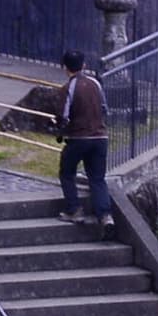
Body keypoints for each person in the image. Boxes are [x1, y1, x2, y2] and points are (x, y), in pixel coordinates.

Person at [55, 49, 110, 221]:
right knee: (97, 178)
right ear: (84, 65)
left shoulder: (69, 87)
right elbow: (104, 108)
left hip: (79, 138)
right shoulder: (95, 83)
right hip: (100, 137)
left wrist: (59, 130)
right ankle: (105, 215)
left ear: (65, 67)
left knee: (67, 172)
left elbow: (63, 116)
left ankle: (74, 210)